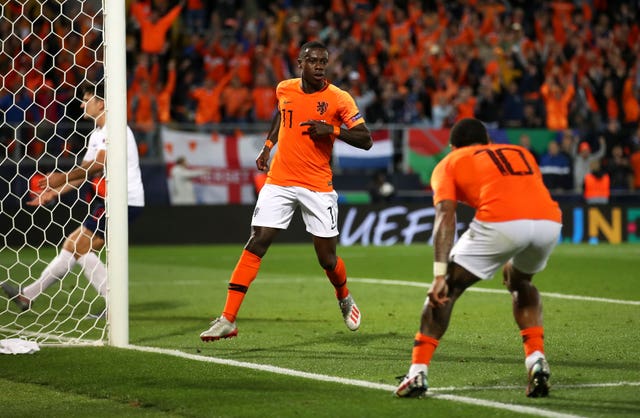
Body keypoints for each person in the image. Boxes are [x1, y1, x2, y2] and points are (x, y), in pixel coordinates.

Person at [199, 41, 373, 342]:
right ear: (300, 63)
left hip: (317, 185)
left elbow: (366, 138)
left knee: (327, 259)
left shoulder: (339, 98)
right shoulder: (285, 89)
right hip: (279, 180)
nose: (320, 66)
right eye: (313, 61)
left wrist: (331, 130)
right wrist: (268, 146)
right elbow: (282, 114)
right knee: (258, 240)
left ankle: (343, 296)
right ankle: (228, 318)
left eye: (324, 61)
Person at [394, 118, 562, 399]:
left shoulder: (450, 161)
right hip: (549, 221)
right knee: (520, 282)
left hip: (502, 222)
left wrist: (439, 274)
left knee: (447, 289)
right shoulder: (519, 152)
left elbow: (445, 216)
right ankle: (536, 359)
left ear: (452, 146)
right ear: (487, 142)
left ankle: (417, 372)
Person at [1, 82, 145, 318]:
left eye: (86, 99)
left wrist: (58, 178)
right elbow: (85, 170)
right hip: (108, 200)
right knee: (71, 245)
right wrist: (54, 192)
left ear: (101, 103)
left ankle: (115, 306)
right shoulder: (97, 133)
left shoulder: (116, 129)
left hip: (124, 201)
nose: (81, 104)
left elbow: (97, 165)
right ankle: (27, 295)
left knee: (79, 247)